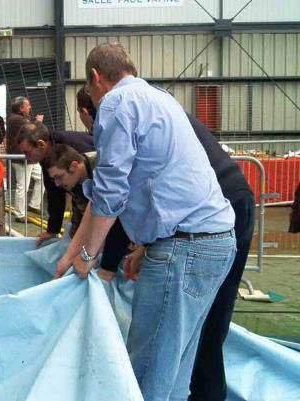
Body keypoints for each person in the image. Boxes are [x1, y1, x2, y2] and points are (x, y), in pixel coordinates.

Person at [56, 43, 237, 400]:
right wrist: (141, 245)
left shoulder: (116, 104)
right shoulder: (159, 97)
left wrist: (88, 257)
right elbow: (129, 187)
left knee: (147, 375)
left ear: (95, 78)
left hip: (185, 247)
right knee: (174, 369)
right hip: (213, 240)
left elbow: (110, 193)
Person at [45, 144, 130, 276]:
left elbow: (107, 216)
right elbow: (82, 219)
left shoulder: (102, 170)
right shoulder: (74, 182)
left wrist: (88, 255)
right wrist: (68, 258)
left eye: (59, 177)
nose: (57, 184)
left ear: (74, 166)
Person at [16, 121, 94, 245]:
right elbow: (54, 193)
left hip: (101, 189)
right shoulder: (45, 157)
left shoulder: (74, 146)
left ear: (41, 144)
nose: (26, 157)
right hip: (81, 193)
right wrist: (53, 229)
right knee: (77, 235)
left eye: (27, 152)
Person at [6, 96, 45, 221]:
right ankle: (20, 214)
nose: (30, 107)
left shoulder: (21, 118)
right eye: (28, 105)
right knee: (23, 186)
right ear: (21, 108)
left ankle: (34, 204)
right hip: (22, 158)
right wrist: (38, 122)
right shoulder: (16, 119)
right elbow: (32, 130)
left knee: (42, 177)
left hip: (29, 158)